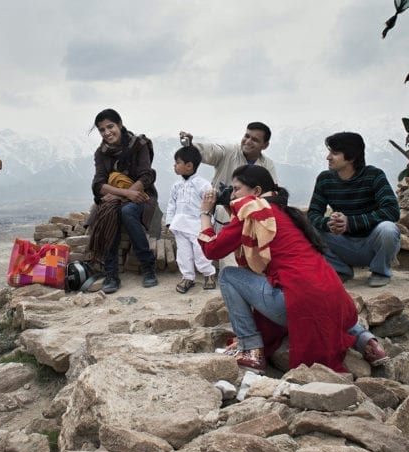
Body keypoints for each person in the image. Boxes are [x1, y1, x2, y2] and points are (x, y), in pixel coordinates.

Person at [197, 165, 359, 372]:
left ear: (256, 191)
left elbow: (212, 250)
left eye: (236, 189)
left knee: (228, 275)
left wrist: (205, 212)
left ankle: (251, 350)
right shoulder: (285, 213)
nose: (232, 194)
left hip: (296, 302)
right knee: (325, 303)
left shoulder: (254, 211)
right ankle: (366, 340)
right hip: (337, 303)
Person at [307, 132, 402, 288]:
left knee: (388, 229)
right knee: (307, 228)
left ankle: (380, 271)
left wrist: (350, 222)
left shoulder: (374, 175)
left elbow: (392, 211)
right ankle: (340, 270)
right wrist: (329, 223)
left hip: (371, 243)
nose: (328, 157)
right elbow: (313, 214)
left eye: (335, 153)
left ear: (351, 158)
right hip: (342, 244)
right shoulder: (325, 179)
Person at [86, 108, 159, 294]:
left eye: (110, 126)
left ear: (119, 124)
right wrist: (123, 195)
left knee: (126, 211)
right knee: (109, 212)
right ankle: (111, 273)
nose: (107, 132)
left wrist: (122, 194)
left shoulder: (139, 145)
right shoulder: (101, 153)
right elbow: (98, 184)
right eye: (102, 130)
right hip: (120, 196)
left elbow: (146, 176)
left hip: (142, 194)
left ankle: (147, 266)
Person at [165, 145, 217, 293]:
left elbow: (209, 206)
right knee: (183, 254)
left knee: (201, 253)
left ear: (189, 166)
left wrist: (208, 225)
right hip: (180, 225)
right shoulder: (176, 185)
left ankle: (209, 273)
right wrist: (169, 221)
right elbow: (171, 204)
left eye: (177, 163)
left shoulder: (203, 184)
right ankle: (188, 277)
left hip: (197, 226)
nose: (174, 166)